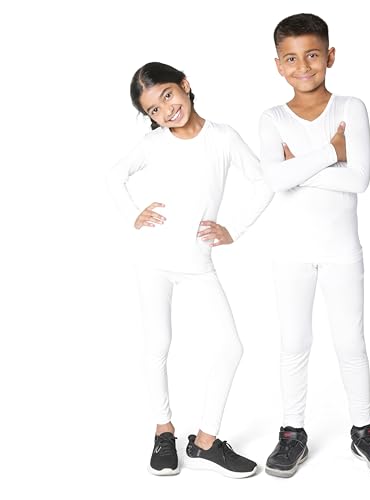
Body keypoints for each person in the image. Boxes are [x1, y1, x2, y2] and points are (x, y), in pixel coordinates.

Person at [107, 62, 273, 478]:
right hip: (153, 260)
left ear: (184, 84)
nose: (166, 110)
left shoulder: (223, 138)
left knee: (230, 347)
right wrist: (133, 213)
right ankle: (163, 432)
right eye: (154, 110)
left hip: (197, 264)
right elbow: (115, 176)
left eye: (167, 96)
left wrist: (233, 229)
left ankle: (205, 442)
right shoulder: (154, 144)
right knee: (158, 344)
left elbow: (263, 181)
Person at [259, 13, 370, 477]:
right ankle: (292, 432)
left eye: (313, 55)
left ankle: (363, 429)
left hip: (341, 250)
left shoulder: (350, 108)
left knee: (350, 341)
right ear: (278, 65)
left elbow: (358, 180)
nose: (303, 66)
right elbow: (274, 180)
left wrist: (297, 169)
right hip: (291, 252)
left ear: (330, 56)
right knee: (294, 342)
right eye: (291, 58)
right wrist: (330, 155)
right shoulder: (272, 118)